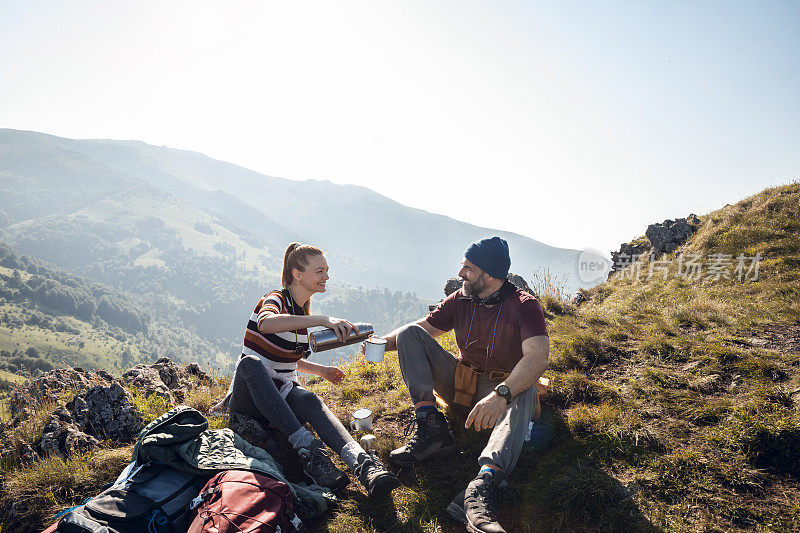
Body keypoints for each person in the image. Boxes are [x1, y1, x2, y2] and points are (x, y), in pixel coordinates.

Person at [375, 236, 549, 533]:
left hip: (501, 390)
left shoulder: (524, 305)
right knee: (409, 333)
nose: (460, 274)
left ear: (490, 273)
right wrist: (373, 343)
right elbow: (421, 331)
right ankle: (432, 428)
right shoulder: (461, 298)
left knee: (527, 390)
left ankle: (482, 486)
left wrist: (501, 394)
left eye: (468, 267)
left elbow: (537, 358)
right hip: (461, 382)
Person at [214, 242, 400, 498]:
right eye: (320, 271)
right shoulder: (276, 299)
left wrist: (321, 371)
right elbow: (266, 324)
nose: (326, 277)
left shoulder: (300, 314)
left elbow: (287, 359)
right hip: (250, 396)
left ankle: (363, 465)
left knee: (311, 399)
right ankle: (310, 453)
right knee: (250, 364)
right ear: (297, 274)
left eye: (327, 270)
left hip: (279, 393)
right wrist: (323, 320)